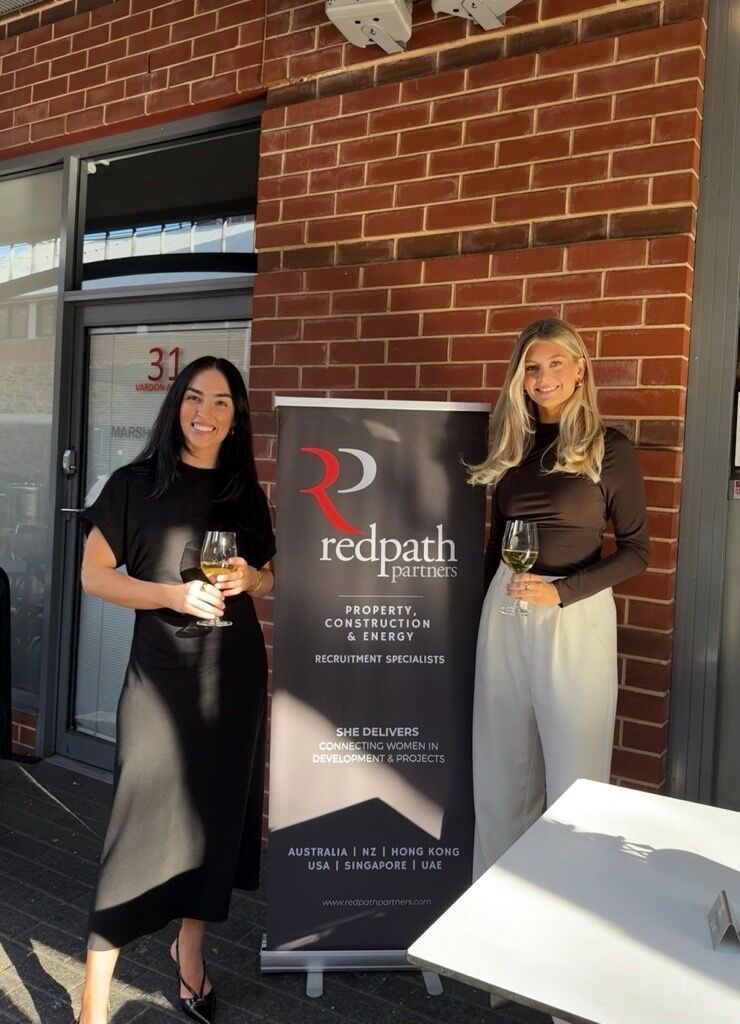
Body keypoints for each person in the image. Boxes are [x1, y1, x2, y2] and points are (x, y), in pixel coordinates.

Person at [77, 356, 275, 1024]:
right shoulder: (133, 485)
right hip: (159, 682)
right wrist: (171, 595)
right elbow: (95, 576)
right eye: (194, 398)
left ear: (235, 417)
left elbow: (269, 573)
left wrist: (252, 581)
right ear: (176, 406)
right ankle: (93, 1002)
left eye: (221, 402)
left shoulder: (242, 491)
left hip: (233, 678)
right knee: (135, 828)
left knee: (211, 824)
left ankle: (190, 957)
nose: (205, 413)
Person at [468, 316, 649, 897]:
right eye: (531, 367)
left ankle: (571, 912)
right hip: (506, 608)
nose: (543, 377)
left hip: (573, 615)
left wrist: (561, 592)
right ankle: (497, 917)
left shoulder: (609, 448)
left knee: (575, 781)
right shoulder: (513, 444)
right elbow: (496, 544)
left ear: (579, 368)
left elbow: (637, 552)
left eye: (554, 364)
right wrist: (481, 614)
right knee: (500, 776)